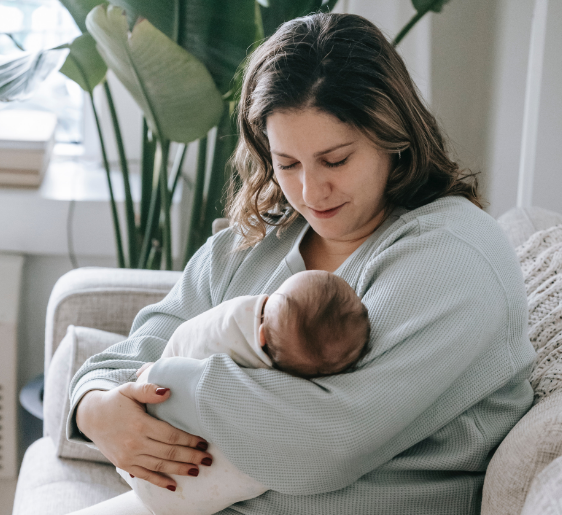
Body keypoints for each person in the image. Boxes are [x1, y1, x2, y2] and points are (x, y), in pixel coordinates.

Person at [67, 12, 536, 515]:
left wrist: (172, 386)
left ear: (392, 136)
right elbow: (139, 348)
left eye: (335, 160)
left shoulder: (452, 255)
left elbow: (323, 444)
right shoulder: (255, 239)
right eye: (287, 163)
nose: (311, 192)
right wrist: (97, 407)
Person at [115, 270, 370, 515]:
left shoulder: (233, 329)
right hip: (181, 498)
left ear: (261, 335)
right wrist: (93, 405)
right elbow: (139, 343)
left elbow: (190, 338)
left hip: (155, 481)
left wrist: (162, 371)